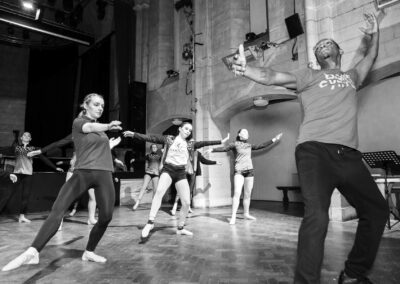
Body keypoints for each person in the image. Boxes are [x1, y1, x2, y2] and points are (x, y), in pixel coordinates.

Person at [231, 12, 388, 284]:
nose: (323, 44)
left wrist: (375, 32)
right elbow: (271, 76)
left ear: (339, 52)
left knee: (376, 211)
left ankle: (352, 274)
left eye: (328, 43)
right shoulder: (308, 76)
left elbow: (370, 57)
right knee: (317, 217)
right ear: (316, 57)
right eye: (319, 45)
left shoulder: (352, 76)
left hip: (349, 155)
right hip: (314, 151)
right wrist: (247, 69)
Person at [2, 93, 122, 272]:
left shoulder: (101, 131)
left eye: (102, 106)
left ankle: (89, 251)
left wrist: (109, 145)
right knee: (58, 209)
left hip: (104, 173)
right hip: (83, 172)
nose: (100, 108)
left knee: (106, 217)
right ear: (85, 105)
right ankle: (33, 250)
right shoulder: (79, 122)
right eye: (96, 104)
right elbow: (87, 128)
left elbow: (95, 144)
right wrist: (108, 125)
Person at [123, 123, 229, 238]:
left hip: (180, 173)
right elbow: (151, 138)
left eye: (190, 130)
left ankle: (180, 228)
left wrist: (220, 141)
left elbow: (204, 143)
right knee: (159, 192)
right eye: (186, 128)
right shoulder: (169, 139)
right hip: (168, 170)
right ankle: (150, 223)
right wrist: (134, 134)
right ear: (180, 129)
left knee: (187, 202)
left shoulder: (190, 144)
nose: (188, 131)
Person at [28, 134, 121, 225]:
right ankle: (58, 221)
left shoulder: (96, 136)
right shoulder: (76, 134)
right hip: (75, 170)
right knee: (65, 196)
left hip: (89, 171)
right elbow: (57, 143)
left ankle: (91, 218)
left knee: (93, 197)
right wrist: (40, 151)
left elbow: (100, 151)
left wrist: (112, 153)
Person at [209, 129, 282, 225]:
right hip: (239, 171)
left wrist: (274, 139)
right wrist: (212, 150)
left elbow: (262, 145)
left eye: (247, 132)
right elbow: (225, 148)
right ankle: (233, 216)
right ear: (239, 134)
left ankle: (246, 214)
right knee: (237, 192)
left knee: (247, 194)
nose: (246, 133)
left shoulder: (249, 145)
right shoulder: (234, 144)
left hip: (250, 172)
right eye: (244, 132)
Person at [1, 132, 63, 223]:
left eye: (29, 135)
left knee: (25, 195)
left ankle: (21, 216)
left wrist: (55, 167)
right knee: (7, 193)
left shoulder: (33, 149)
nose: (27, 136)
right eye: (25, 135)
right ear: (21, 138)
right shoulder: (17, 147)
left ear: (30, 139)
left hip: (28, 174)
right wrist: (15, 137)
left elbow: (44, 158)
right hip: (17, 174)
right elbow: (8, 147)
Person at [170, 149, 221, 216]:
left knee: (190, 190)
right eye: (189, 143)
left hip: (193, 173)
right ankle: (175, 206)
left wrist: (215, 162)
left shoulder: (197, 153)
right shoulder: (183, 151)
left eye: (192, 143)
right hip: (183, 172)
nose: (191, 144)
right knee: (180, 189)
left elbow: (204, 161)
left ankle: (188, 207)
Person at [132, 144, 162, 211]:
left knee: (155, 190)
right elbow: (141, 159)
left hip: (156, 174)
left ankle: (154, 205)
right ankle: (137, 203)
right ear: (151, 149)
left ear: (157, 149)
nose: (154, 148)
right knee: (143, 187)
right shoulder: (148, 155)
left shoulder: (159, 156)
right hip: (148, 173)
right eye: (152, 147)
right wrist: (135, 160)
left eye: (155, 147)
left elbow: (164, 161)